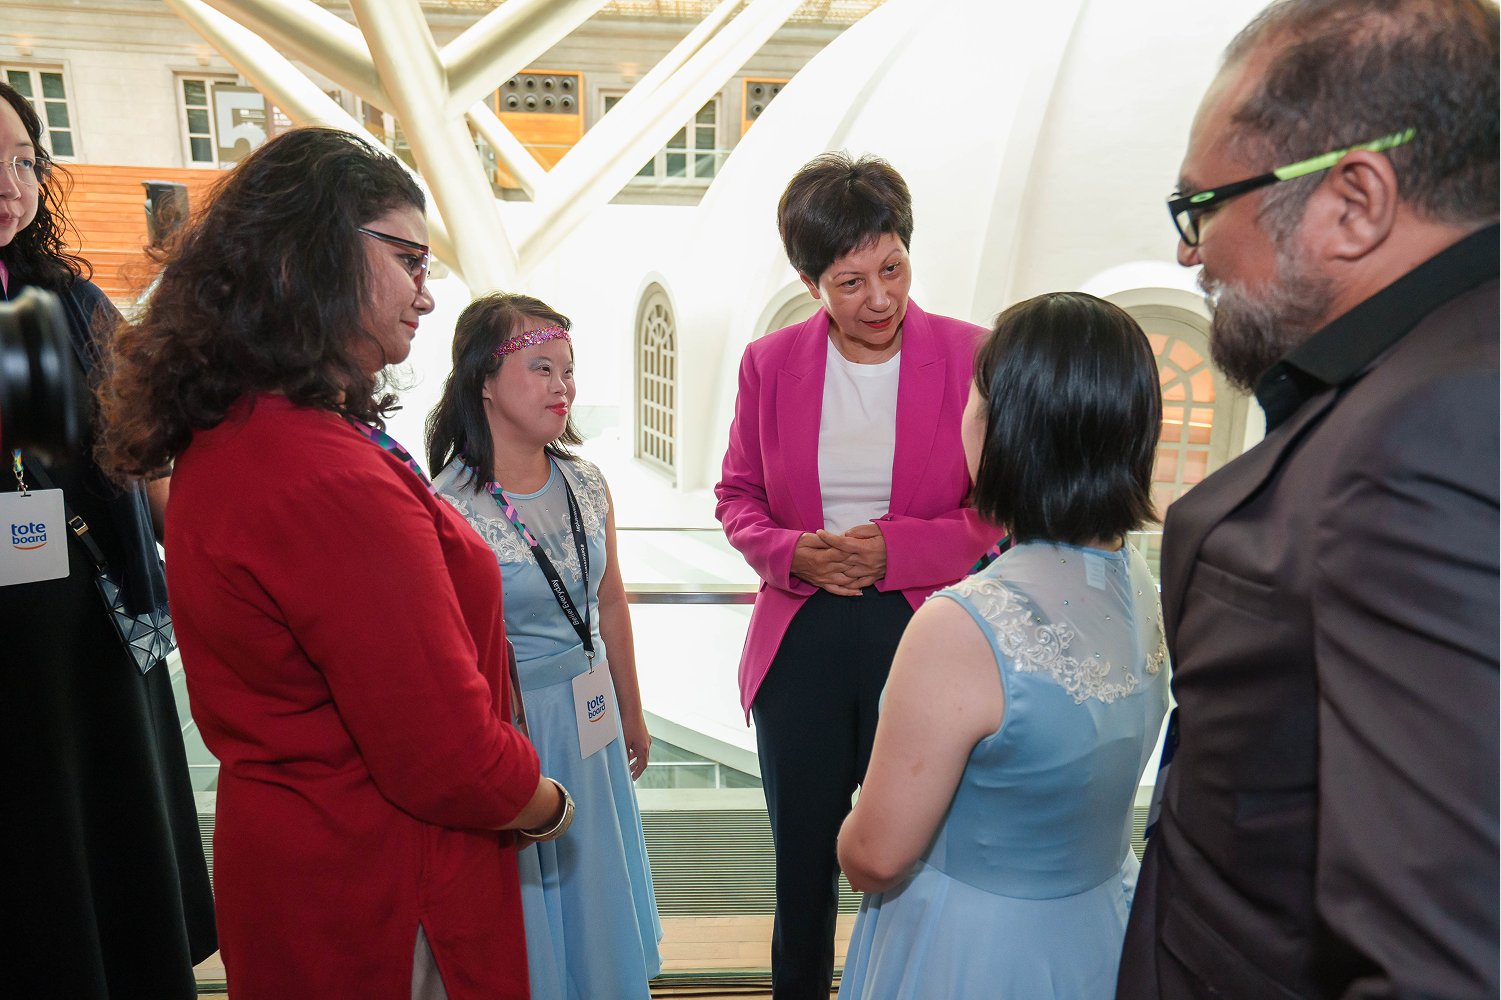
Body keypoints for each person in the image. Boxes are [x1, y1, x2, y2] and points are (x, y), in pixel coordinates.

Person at [95, 127, 569, 1000]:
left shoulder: (250, 428)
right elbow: (445, 757)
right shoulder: (322, 473)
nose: (427, 295)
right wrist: (547, 803)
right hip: (379, 891)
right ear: (310, 256)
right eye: (410, 260)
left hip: (308, 868)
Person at [1118, 2, 1501, 997]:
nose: (1187, 254)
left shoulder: (1421, 444)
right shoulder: (1441, 367)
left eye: (1202, 205)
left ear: (1352, 202)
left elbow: (1444, 957)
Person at [716, 152, 1004, 998]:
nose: (878, 298)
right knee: (801, 868)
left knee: (917, 859)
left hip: (923, 633)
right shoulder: (769, 364)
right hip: (800, 637)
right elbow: (737, 497)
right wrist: (790, 552)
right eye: (849, 281)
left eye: (892, 268)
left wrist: (895, 550)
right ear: (810, 283)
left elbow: (994, 509)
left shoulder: (971, 354)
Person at [836, 291, 1170, 999]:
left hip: (975, 953)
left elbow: (875, 857)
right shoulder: (1138, 582)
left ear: (1002, 429)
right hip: (1101, 932)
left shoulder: (962, 624)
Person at [0, 82, 217, 997]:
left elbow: (148, 461)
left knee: (112, 869)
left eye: (20, 160)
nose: (9, 182)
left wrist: (212, 570)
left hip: (96, 633)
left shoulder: (77, 301)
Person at [426, 292, 663, 999]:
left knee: (597, 883)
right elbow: (454, 655)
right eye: (541, 368)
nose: (562, 387)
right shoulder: (449, 507)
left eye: (567, 369)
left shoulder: (587, 482)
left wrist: (632, 709)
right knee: (534, 905)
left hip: (592, 721)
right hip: (519, 727)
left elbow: (610, 603)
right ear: (484, 382)